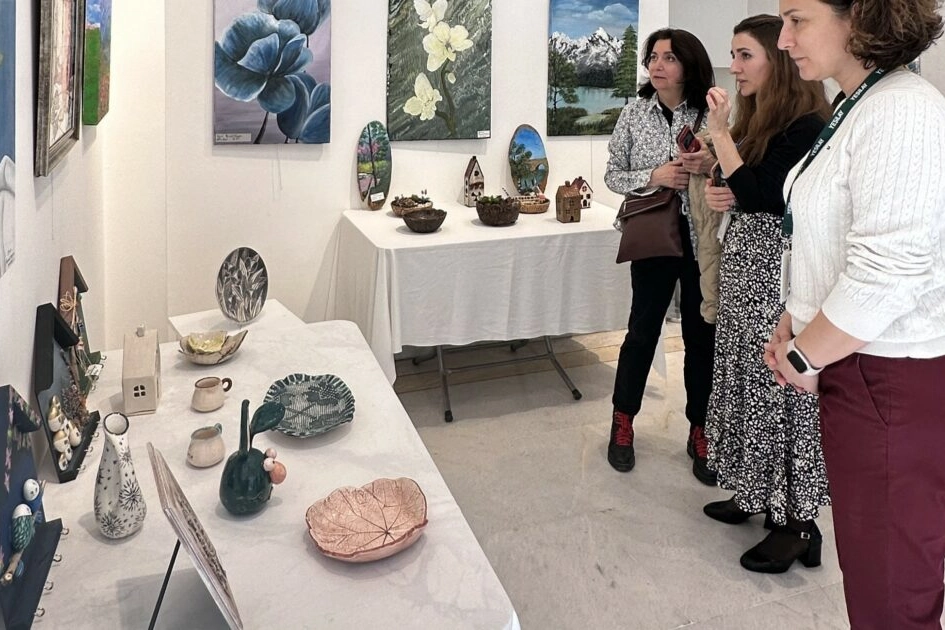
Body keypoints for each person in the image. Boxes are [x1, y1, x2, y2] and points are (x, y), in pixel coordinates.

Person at [767, 0, 945, 626]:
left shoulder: (901, 109)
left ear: (861, 16)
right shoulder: (861, 103)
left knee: (890, 589)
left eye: (797, 19)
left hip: (886, 372)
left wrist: (802, 354)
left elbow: (889, 269)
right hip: (857, 364)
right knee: (875, 571)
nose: (784, 39)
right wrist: (798, 315)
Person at [700, 15, 833, 574]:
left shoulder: (807, 125)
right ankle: (756, 490)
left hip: (776, 282)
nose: (734, 67)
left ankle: (797, 523)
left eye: (745, 55)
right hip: (746, 275)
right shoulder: (766, 120)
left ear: (776, 62)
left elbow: (762, 195)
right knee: (745, 381)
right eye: (733, 55)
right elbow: (742, 188)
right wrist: (720, 187)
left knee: (775, 392)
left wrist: (721, 135)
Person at [604, 29, 717, 484]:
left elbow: (733, 171)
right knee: (642, 331)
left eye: (669, 57)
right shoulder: (634, 113)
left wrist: (709, 166)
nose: (657, 65)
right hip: (652, 237)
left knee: (701, 336)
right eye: (653, 56)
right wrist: (655, 175)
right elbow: (612, 175)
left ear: (689, 64)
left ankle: (700, 429)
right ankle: (622, 421)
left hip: (702, 240)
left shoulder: (711, 113)